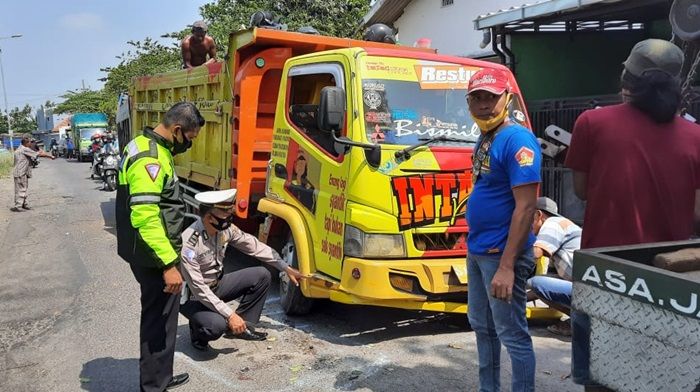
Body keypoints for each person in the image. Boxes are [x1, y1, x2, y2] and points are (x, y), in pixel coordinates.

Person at [565, 39, 700, 391]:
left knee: (598, 382)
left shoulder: (592, 123)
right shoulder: (696, 136)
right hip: (665, 281)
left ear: (628, 76)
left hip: (602, 274)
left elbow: (581, 190)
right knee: (661, 380)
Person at [116, 102, 204, 392]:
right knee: (158, 319)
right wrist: (168, 265)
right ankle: (153, 386)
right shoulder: (149, 159)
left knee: (163, 318)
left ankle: (159, 377)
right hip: (153, 255)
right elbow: (145, 215)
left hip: (152, 251)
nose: (189, 145)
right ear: (177, 130)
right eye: (189, 138)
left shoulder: (143, 144)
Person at [465, 67, 542, 392]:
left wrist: (508, 267)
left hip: (502, 256)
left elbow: (525, 207)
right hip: (479, 250)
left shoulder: (517, 139)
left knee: (512, 333)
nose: (484, 105)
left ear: (507, 98)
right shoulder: (487, 137)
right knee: (482, 326)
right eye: (477, 98)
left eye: (491, 98)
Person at [179, 189, 306, 351]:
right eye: (225, 213)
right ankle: (198, 332)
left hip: (217, 285)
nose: (229, 217)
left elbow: (254, 246)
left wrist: (285, 267)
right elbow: (200, 290)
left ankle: (241, 327)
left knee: (261, 275)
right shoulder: (189, 244)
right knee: (215, 326)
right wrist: (230, 315)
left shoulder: (225, 229)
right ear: (209, 217)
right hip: (195, 297)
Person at [527, 197, 581, 336]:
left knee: (535, 282)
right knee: (539, 282)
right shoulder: (561, 227)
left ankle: (579, 323)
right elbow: (545, 286)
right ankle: (578, 321)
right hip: (582, 286)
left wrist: (506, 264)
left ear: (538, 215)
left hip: (585, 289)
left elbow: (535, 253)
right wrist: (519, 299)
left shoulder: (553, 224)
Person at [11, 135, 55, 212]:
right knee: (22, 189)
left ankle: (23, 204)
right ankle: (18, 206)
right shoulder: (24, 149)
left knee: (22, 189)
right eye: (29, 143)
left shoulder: (19, 148)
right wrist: (50, 156)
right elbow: (38, 154)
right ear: (26, 143)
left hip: (19, 172)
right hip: (21, 172)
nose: (30, 144)